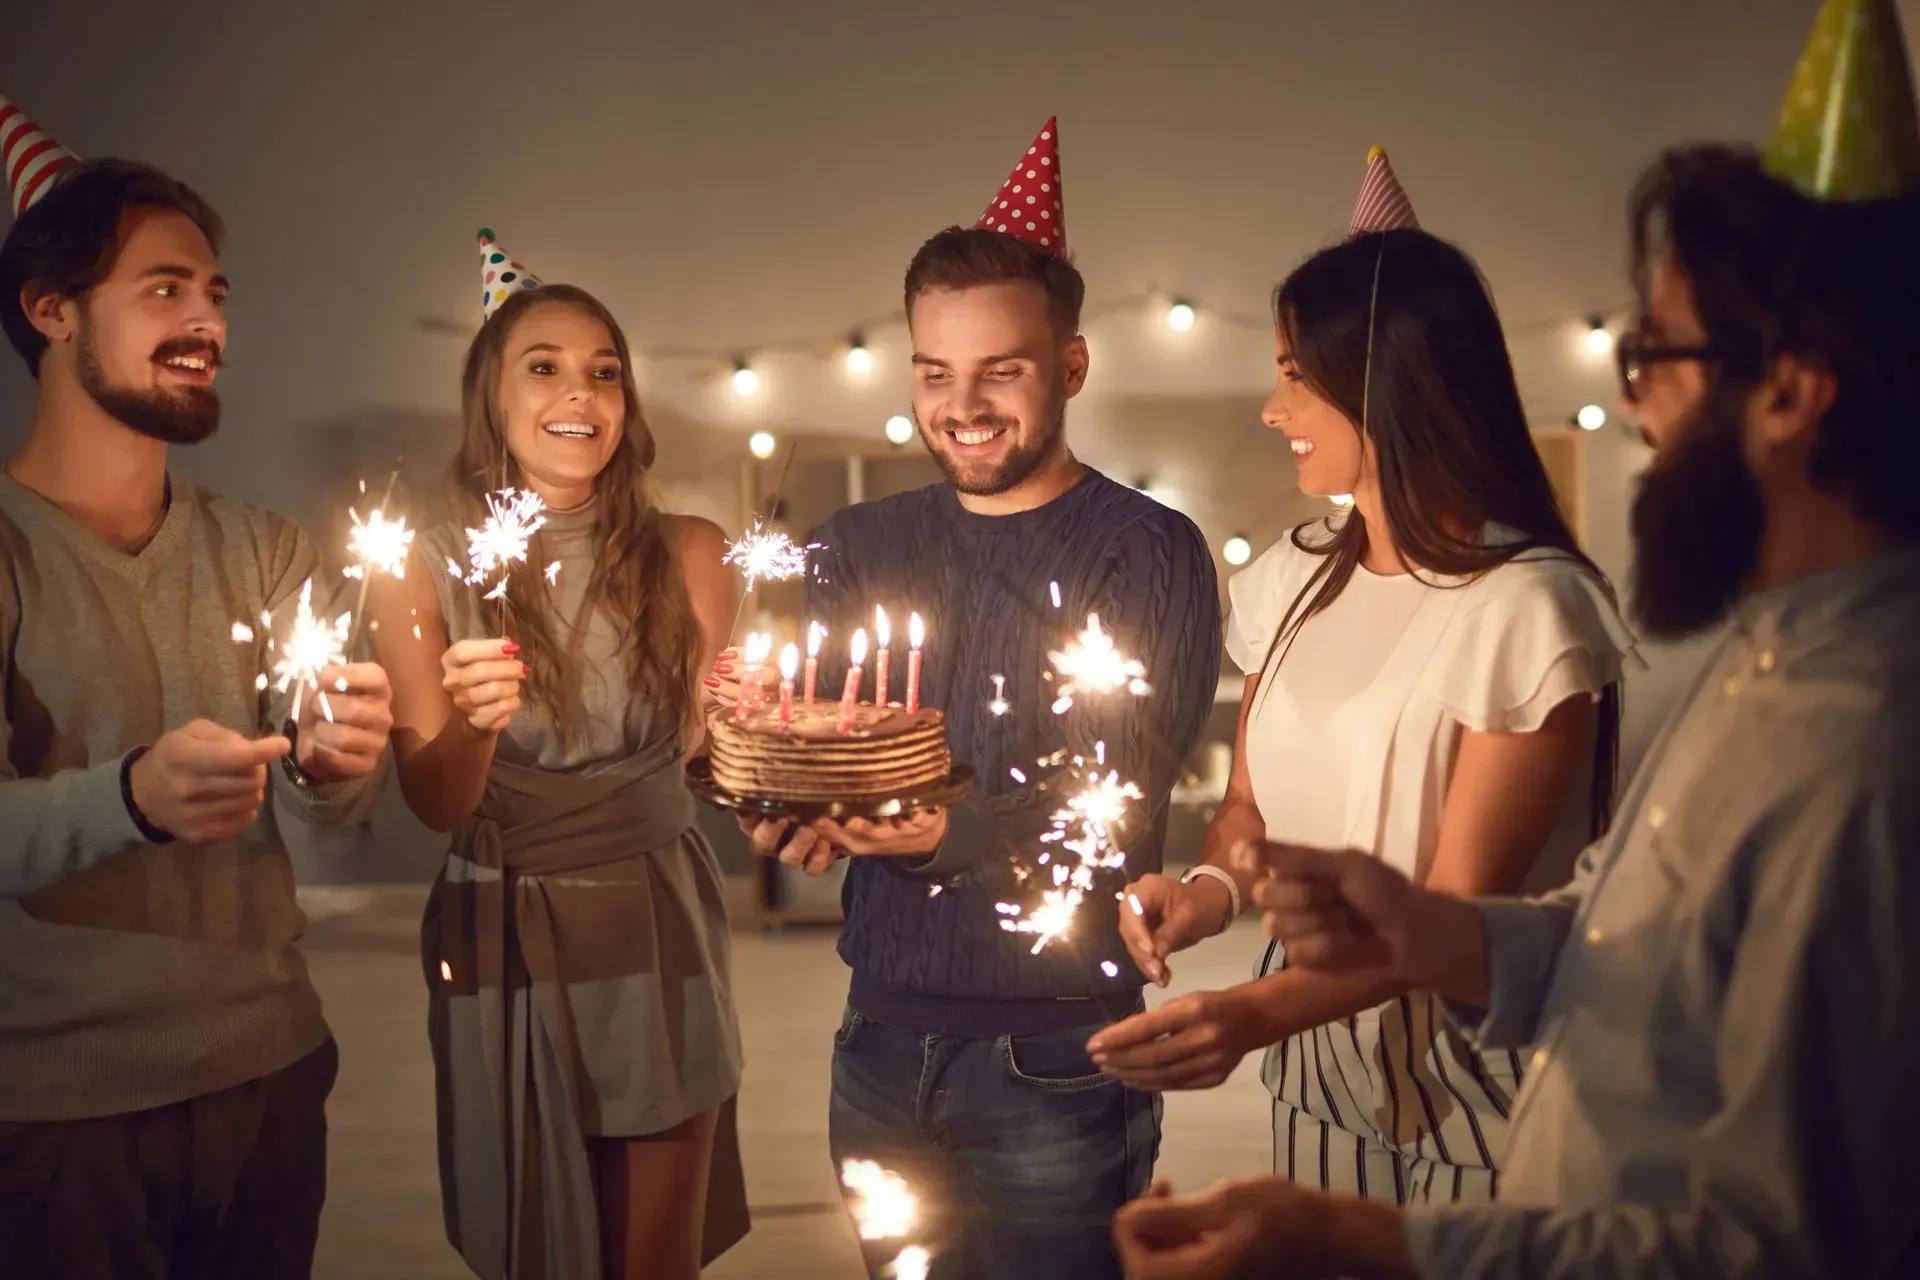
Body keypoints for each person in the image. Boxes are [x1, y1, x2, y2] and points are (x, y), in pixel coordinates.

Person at [1113, 6, 1920, 1277]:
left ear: (1792, 388)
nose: (1634, 392)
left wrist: (1372, 1241)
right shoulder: (1766, 663)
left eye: (1655, 350)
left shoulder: (1863, 745)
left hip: (1469, 1115)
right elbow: (1612, 937)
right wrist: (1406, 924)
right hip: (1379, 1089)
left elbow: (1775, 1235)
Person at [1089, 149, 1637, 1206]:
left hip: (1476, 1072)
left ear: (1386, 382)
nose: (1270, 404)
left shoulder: (1528, 606)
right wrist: (1201, 894)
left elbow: (1452, 913)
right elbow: (1249, 807)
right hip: (1319, 1059)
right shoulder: (1293, 577)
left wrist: (1249, 1016)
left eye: (1294, 370)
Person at [728, 118, 1222, 1279]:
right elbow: (835, 742)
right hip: (878, 1037)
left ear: (1071, 365)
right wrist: (788, 804)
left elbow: (1112, 796)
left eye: (1001, 368)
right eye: (936, 371)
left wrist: (946, 830)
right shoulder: (856, 541)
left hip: (1053, 1049)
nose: (965, 404)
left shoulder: (1145, 548)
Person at [0, 120, 393, 1277]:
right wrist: (131, 794)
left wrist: (335, 764)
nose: (207, 320)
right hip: (58, 1111)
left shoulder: (264, 550)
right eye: (162, 287)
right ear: (51, 309)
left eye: (213, 291)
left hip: (269, 1077)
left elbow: (333, 824)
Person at [365, 233, 747, 1280]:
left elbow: (712, 760)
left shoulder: (695, 552)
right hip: (506, 927)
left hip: (660, 916)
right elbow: (436, 800)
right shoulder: (419, 569)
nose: (580, 391)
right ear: (490, 394)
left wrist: (767, 747)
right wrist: (477, 723)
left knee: (653, 1256)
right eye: (543, 365)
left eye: (604, 370)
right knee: (533, 1249)